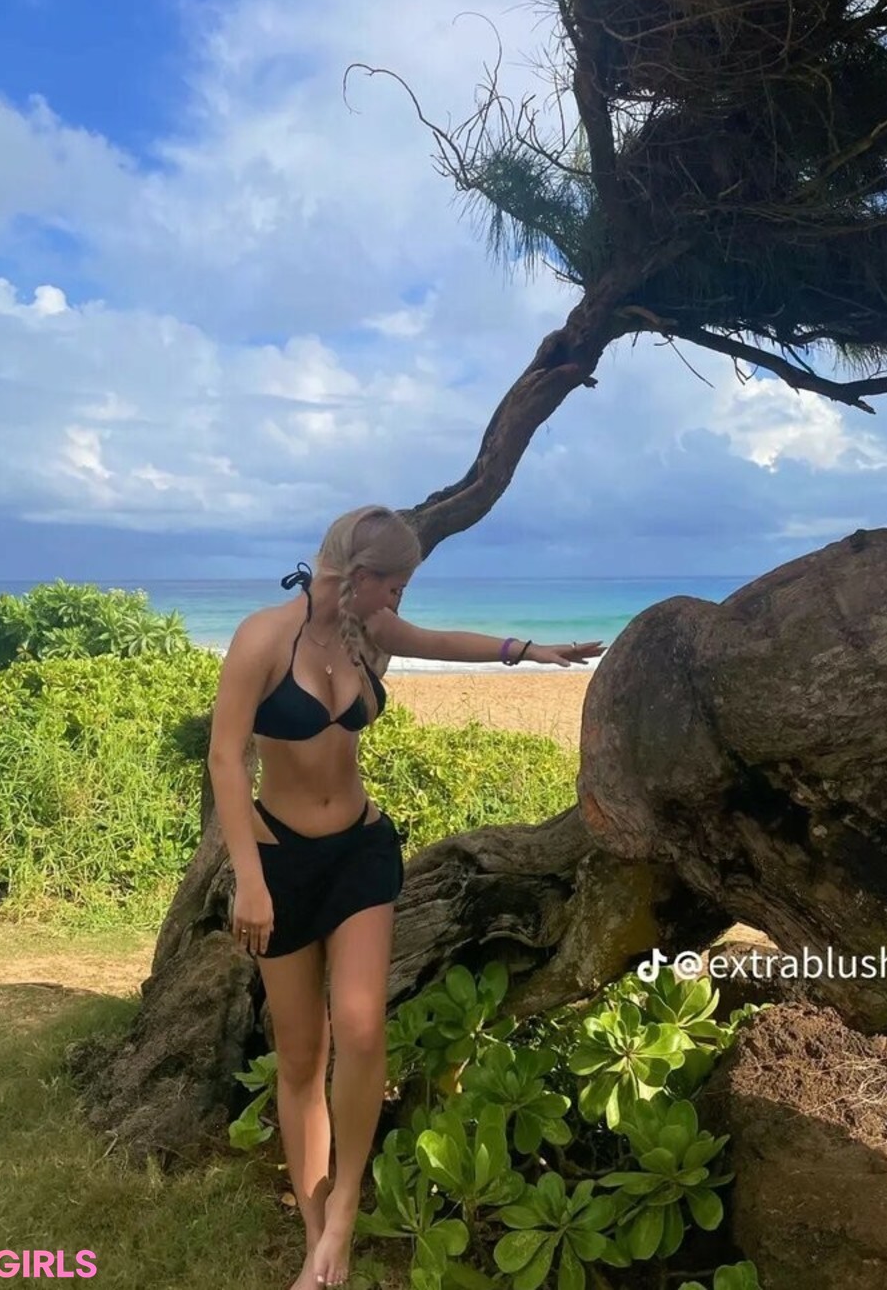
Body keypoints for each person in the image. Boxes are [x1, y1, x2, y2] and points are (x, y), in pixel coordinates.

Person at [206, 504, 606, 1290]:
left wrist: (530, 650)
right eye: (393, 584)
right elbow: (226, 758)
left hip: (360, 851)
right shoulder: (263, 639)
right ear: (356, 576)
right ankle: (318, 1243)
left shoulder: (370, 633)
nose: (398, 599)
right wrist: (248, 878)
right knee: (300, 1054)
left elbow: (443, 642)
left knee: (360, 1027)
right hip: (281, 865)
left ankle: (344, 1205)